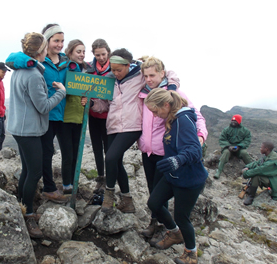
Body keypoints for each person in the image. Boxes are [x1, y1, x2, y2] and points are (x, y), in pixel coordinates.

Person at [137, 56, 208, 243]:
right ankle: (156, 222)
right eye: (145, 76)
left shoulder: (174, 94)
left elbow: (196, 116)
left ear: (163, 74)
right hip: (148, 151)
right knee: (153, 192)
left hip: (164, 152)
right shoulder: (145, 94)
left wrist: (200, 136)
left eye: (152, 75)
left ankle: (166, 228)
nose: (149, 79)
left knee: (161, 194)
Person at [5, 32, 67, 238]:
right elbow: (43, 106)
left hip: (19, 128)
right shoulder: (32, 74)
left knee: (27, 171)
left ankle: (22, 208)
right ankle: (29, 215)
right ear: (41, 51)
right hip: (29, 131)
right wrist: (61, 92)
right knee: (34, 173)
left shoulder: (19, 70)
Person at [144, 88, 208, 264]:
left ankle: (191, 252)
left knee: (182, 217)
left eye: (156, 111)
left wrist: (177, 160)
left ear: (166, 104)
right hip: (174, 175)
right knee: (154, 203)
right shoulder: (172, 119)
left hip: (189, 179)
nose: (155, 115)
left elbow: (195, 150)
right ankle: (174, 233)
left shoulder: (183, 121)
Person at [101, 48, 144, 214]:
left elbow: (166, 72)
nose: (116, 73)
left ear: (128, 65)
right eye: (113, 69)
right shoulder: (110, 80)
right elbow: (104, 105)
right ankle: (127, 202)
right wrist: (91, 104)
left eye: (119, 69)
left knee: (110, 158)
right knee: (116, 162)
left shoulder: (139, 76)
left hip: (131, 126)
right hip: (113, 127)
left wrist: (172, 84)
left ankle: (109, 195)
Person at [40, 23, 70, 200]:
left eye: (62, 41)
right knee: (47, 151)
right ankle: (49, 187)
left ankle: (68, 186)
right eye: (56, 41)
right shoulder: (40, 62)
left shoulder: (67, 61)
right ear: (47, 41)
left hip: (64, 114)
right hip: (47, 114)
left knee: (68, 151)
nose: (59, 45)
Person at [85, 39, 113, 193]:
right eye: (98, 54)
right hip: (93, 115)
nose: (101, 57)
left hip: (108, 117)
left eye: (103, 54)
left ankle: (110, 178)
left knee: (108, 148)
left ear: (108, 52)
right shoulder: (89, 68)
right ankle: (100, 177)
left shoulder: (113, 68)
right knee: (96, 147)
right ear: (93, 54)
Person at [62, 39, 90, 193]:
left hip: (79, 118)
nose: (82, 54)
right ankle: (67, 186)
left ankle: (73, 183)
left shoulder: (83, 70)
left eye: (83, 52)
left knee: (75, 153)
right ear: (70, 52)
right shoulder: (64, 68)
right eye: (78, 51)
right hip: (66, 118)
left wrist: (86, 100)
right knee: (68, 155)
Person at [214, 114, 253, 179]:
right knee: (225, 153)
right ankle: (218, 171)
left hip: (239, 148)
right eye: (232, 120)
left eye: (235, 121)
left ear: (239, 122)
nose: (233, 122)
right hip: (228, 148)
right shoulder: (226, 130)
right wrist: (228, 146)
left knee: (244, 153)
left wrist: (239, 146)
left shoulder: (245, 131)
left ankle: (252, 169)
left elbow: (247, 140)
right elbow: (222, 139)